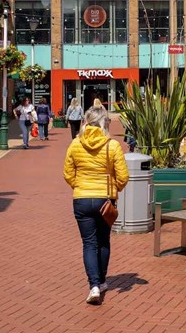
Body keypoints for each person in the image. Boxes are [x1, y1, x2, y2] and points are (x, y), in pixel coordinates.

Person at [63, 105, 129, 305]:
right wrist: (114, 189)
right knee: (103, 241)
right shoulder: (112, 145)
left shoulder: (75, 144)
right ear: (104, 123)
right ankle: (101, 281)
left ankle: (93, 285)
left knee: (89, 243)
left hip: (81, 199)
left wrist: (79, 186)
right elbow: (123, 176)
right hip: (105, 199)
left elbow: (67, 173)